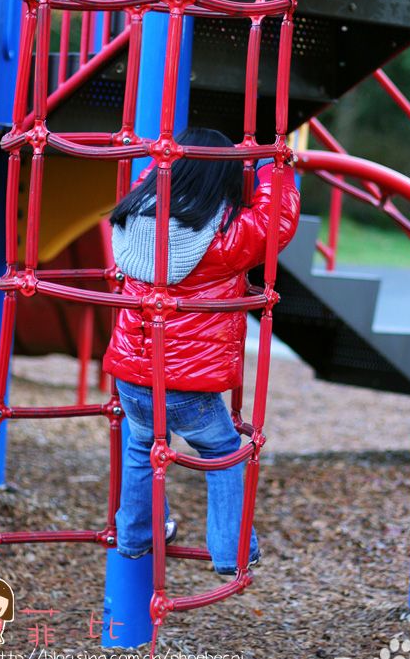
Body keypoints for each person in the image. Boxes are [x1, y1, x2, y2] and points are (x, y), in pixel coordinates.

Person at [103, 127, 300, 575]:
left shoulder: (135, 217)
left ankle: (134, 536)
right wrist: (276, 171)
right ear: (222, 185)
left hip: (131, 373)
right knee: (224, 454)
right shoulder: (224, 238)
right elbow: (275, 224)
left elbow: (153, 175)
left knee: (141, 446)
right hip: (185, 385)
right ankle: (232, 552)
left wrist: (170, 155)